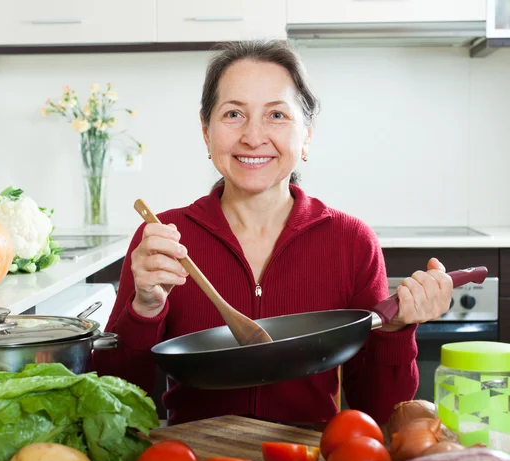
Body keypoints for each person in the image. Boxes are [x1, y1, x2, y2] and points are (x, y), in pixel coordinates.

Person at [93, 39, 453, 427]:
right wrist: (144, 310)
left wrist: (396, 332)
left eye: (277, 115)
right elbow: (119, 400)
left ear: (307, 134)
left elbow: (380, 413)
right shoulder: (163, 238)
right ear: (205, 130)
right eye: (234, 114)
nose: (253, 136)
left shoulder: (351, 242)